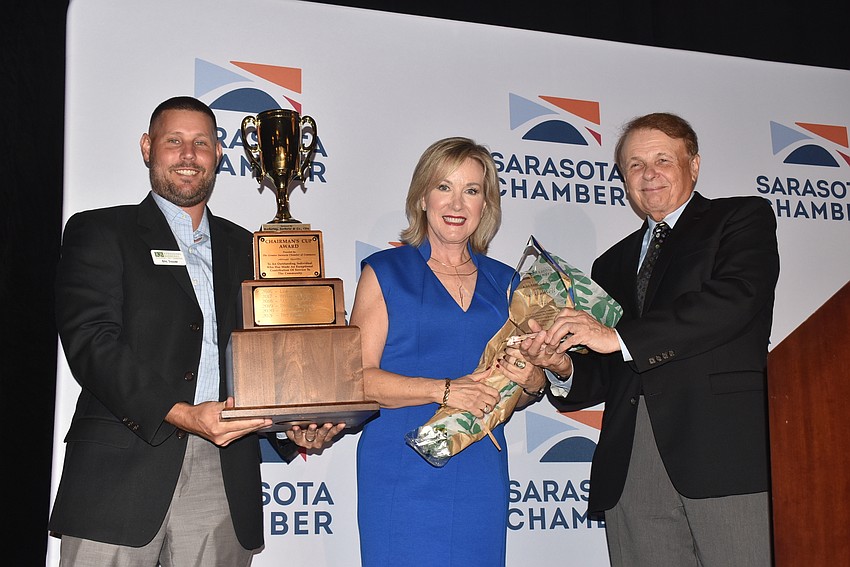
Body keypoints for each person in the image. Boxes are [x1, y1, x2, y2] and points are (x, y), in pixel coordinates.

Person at [48, 96, 343, 566]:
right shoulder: (100, 230)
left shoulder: (251, 247)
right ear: (148, 148)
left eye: (201, 143)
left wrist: (296, 428)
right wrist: (181, 412)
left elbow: (272, 355)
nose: (189, 154)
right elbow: (91, 344)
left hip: (224, 474)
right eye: (174, 141)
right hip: (121, 469)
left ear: (218, 156)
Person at [519, 112, 779, 566]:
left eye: (663, 159)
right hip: (632, 461)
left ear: (693, 166)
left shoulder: (741, 218)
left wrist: (614, 335)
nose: (649, 173)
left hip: (723, 452)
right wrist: (561, 366)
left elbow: (733, 301)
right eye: (635, 165)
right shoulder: (610, 264)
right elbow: (607, 368)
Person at [349, 137, 548, 566]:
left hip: (480, 465)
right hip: (401, 461)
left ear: (485, 204)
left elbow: (518, 391)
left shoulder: (507, 284)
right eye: (444, 187)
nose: (457, 202)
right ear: (422, 197)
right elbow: (356, 379)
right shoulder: (385, 272)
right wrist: (444, 390)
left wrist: (533, 381)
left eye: (472, 190)